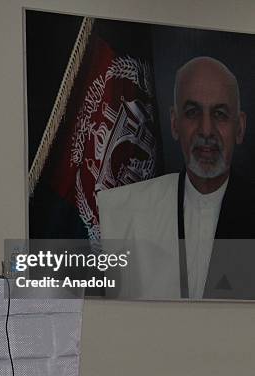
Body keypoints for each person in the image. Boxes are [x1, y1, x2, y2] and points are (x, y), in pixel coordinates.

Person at [98, 56, 255, 299]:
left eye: (220, 114)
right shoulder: (125, 212)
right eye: (192, 113)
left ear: (240, 127)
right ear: (174, 123)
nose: (206, 130)